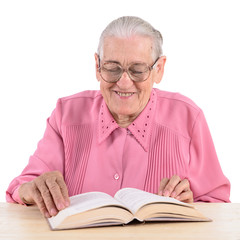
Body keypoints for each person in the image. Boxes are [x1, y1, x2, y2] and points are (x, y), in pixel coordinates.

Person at [6, 16, 230, 218]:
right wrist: (31, 190)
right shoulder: (66, 114)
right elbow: (22, 187)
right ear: (97, 66)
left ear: (158, 69)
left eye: (137, 70)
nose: (124, 82)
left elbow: (219, 207)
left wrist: (189, 206)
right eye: (112, 68)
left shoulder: (188, 118)